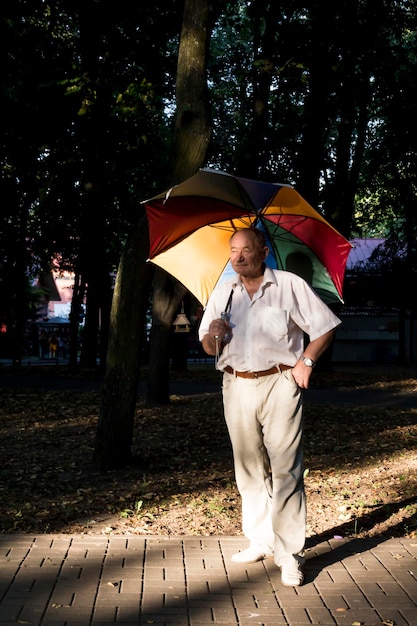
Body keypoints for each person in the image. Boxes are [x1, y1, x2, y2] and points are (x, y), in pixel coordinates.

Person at [198, 227, 342, 587]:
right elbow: (206, 346)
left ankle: (290, 553)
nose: (238, 256)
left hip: (280, 382)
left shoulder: (290, 285)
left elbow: (324, 326)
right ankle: (260, 540)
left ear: (264, 252)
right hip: (236, 384)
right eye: (233, 250)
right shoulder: (224, 291)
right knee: (248, 467)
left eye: (246, 249)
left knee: (286, 469)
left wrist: (305, 362)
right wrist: (213, 334)